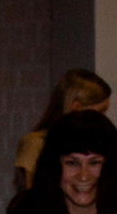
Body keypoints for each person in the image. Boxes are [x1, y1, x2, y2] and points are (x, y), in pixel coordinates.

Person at [10, 67, 111, 197]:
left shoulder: (98, 143)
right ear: (76, 107)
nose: (103, 119)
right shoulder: (36, 142)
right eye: (100, 111)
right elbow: (32, 197)